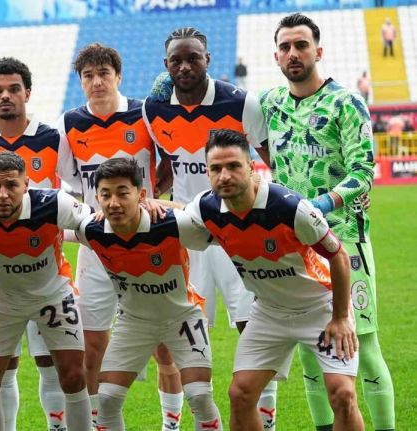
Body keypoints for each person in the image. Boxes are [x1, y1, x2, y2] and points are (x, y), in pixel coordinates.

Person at [260, 13, 394, 431]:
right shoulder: (270, 103)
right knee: (309, 350)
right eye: (285, 47)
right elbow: (224, 110)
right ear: (276, 56)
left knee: (363, 346)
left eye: (301, 45)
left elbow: (364, 170)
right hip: (296, 246)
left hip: (345, 240)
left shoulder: (346, 103)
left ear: (318, 51)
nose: (293, 53)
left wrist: (322, 202)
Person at [178, 129, 363, 431]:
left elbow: (338, 256)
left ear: (251, 167)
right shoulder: (206, 207)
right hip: (269, 313)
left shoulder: (290, 208)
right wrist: (149, 205)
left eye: (233, 166)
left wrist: (341, 317)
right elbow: (178, 217)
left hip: (321, 308)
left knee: (343, 394)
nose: (224, 176)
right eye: (216, 168)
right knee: (240, 393)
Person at [146, 28, 277, 429]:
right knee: (182, 332)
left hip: (241, 230)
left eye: (193, 58)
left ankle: (266, 418)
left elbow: (273, 161)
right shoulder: (154, 108)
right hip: (187, 232)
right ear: (166, 65)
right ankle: (177, 422)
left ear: (208, 59)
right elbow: (168, 164)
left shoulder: (240, 102)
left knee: (253, 326)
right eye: (177, 60)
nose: (185, 67)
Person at [59, 43, 183, 431]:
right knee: (92, 345)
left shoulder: (144, 114)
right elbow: (72, 183)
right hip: (97, 248)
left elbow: (171, 160)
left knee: (163, 347)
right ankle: (100, 425)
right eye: (88, 76)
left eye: (104, 74)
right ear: (81, 82)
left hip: (148, 244)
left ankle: (171, 424)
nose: (97, 82)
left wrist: (155, 196)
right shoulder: (69, 123)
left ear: (118, 76)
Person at [0, 151, 92, 431]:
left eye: (11, 185)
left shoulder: (54, 203)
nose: (2, 194)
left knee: (73, 376)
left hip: (53, 297)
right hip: (2, 301)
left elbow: (93, 222)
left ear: (26, 185)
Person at [75, 158, 223, 431]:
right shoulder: (91, 230)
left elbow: (208, 223)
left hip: (183, 318)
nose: (114, 203)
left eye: (122, 193)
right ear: (96, 198)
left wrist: (165, 205)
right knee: (107, 399)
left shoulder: (170, 225)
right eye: (106, 195)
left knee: (200, 396)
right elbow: (49, 222)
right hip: (134, 323)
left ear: (141, 194)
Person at [0, 56, 78, 431]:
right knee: (4, 366)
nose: (5, 96)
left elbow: (76, 190)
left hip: (47, 270)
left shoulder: (52, 138)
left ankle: (57, 427)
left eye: (13, 89)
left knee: (51, 362)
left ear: (27, 93)